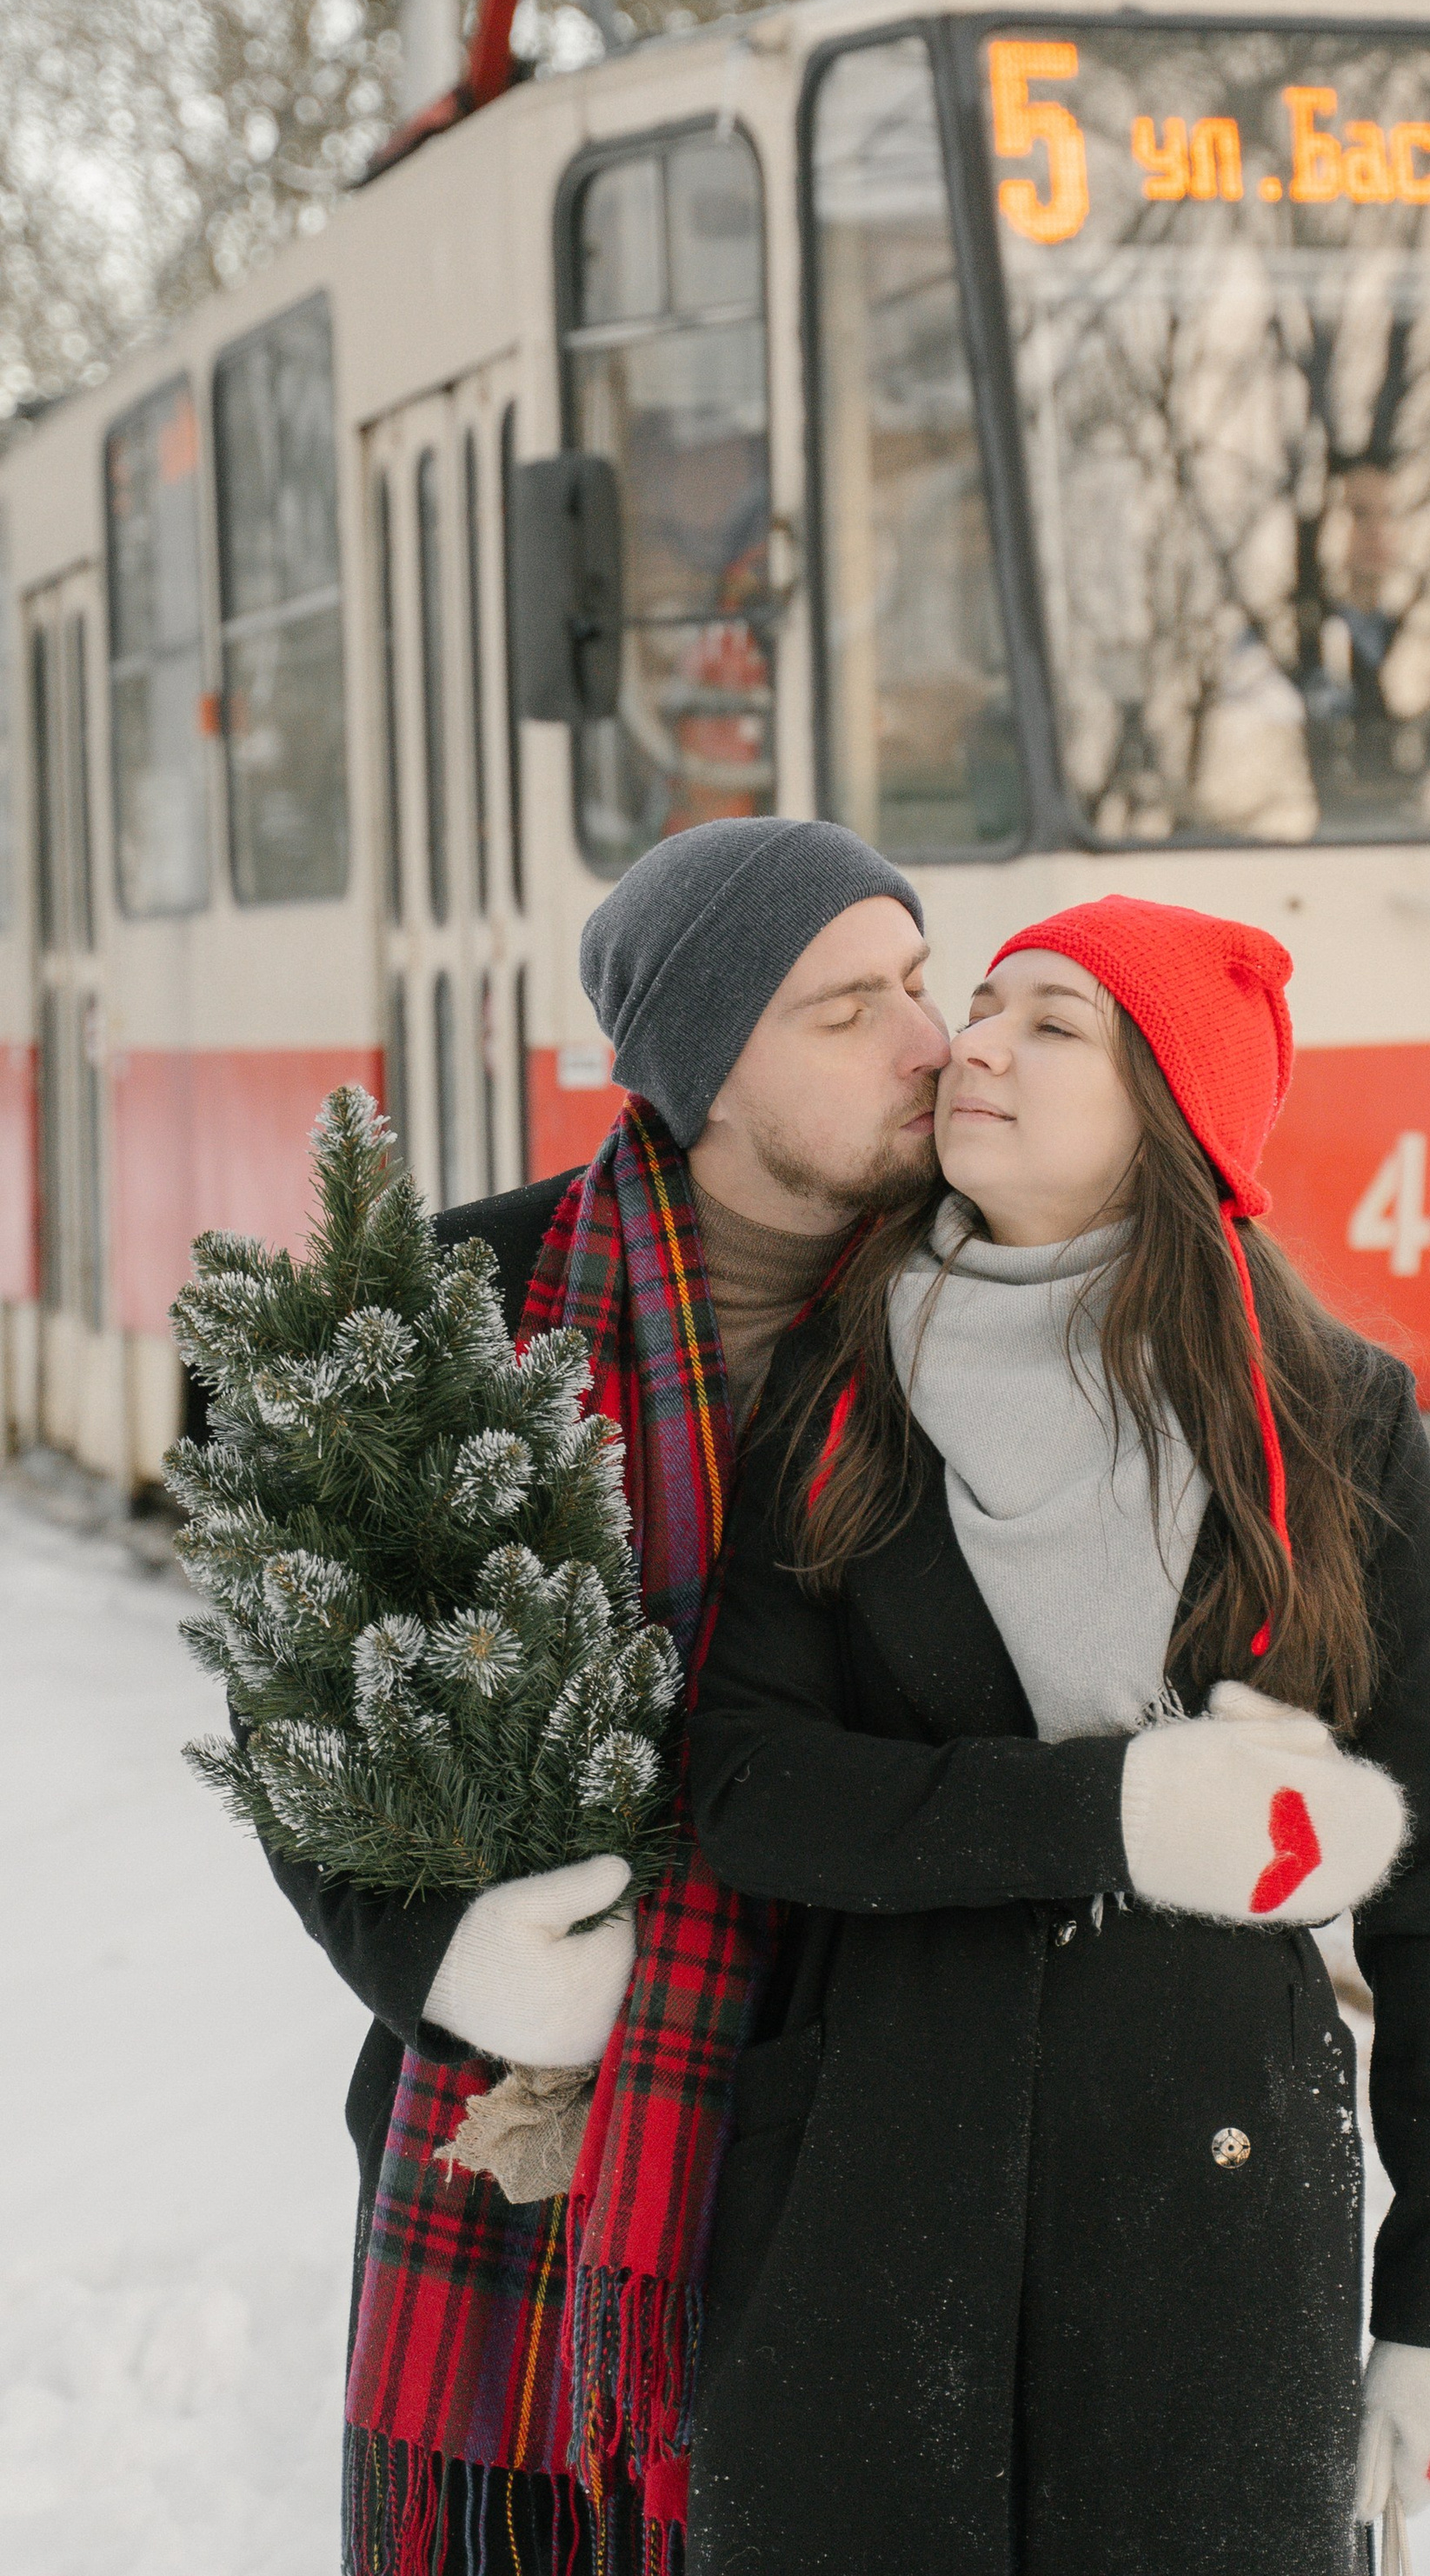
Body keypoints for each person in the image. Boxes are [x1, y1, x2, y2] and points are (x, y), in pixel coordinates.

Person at [683, 894, 1430, 2576]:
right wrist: (1112, 1812)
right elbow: (748, 1786)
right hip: (867, 2221)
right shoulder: (840, 1380)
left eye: (1050, 1023)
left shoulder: (1328, 1412)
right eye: (983, 1002)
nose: (972, 1043)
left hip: (1213, 2247)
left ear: (1170, 1110)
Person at [251, 815, 951, 2576]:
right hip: (528, 2152)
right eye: (849, 1008)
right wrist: (440, 1958)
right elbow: (305, 1710)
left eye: (919, 982)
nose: (930, 1042)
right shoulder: (456, 1311)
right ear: (706, 1066)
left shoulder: (988, 1303)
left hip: (887, 2131)